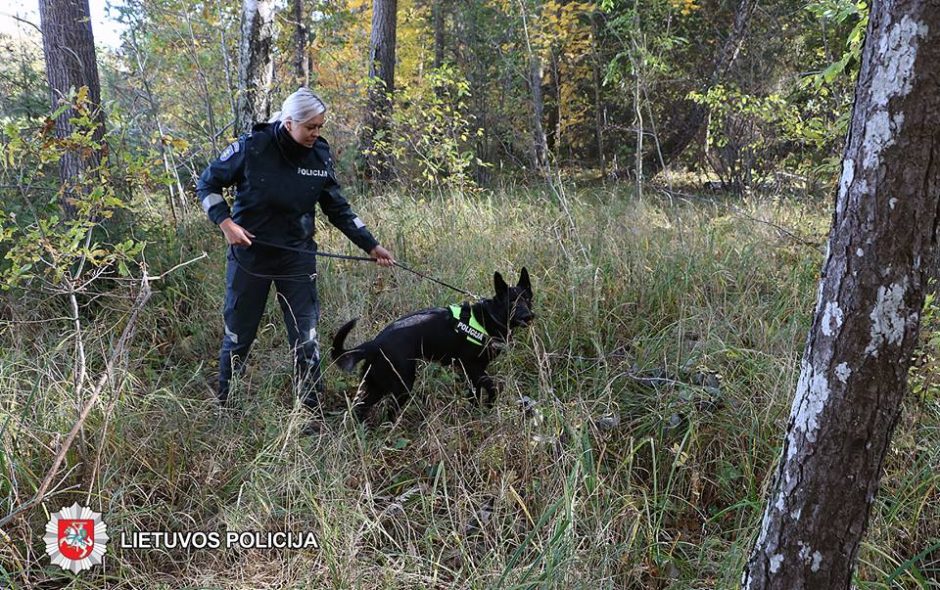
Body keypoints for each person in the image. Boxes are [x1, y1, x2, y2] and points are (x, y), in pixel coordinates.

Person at [196, 87, 394, 429]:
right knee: (239, 336)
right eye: (311, 127)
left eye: (321, 126)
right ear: (289, 123)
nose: (316, 133)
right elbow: (206, 184)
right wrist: (226, 224)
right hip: (250, 256)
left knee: (306, 336)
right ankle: (228, 411)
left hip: (297, 258)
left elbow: (338, 207)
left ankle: (311, 412)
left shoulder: (319, 154)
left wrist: (370, 245)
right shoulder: (252, 146)